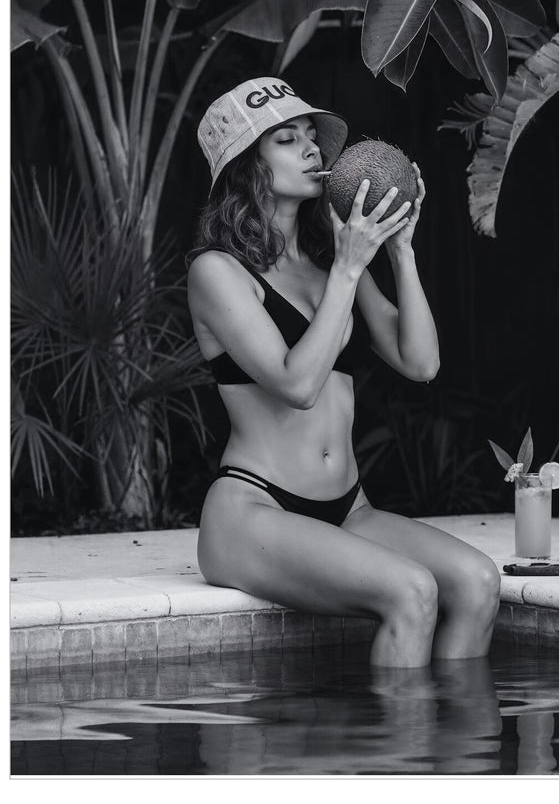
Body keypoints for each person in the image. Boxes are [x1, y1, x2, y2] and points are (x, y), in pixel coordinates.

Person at [187, 77, 500, 667]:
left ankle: (458, 753)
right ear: (245, 167)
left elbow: (422, 363)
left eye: (312, 138)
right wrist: (350, 272)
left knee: (478, 582)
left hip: (348, 508)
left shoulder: (331, 262)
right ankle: (397, 754)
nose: (313, 151)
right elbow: (297, 386)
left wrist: (400, 251)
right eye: (287, 139)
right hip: (254, 512)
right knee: (412, 593)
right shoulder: (217, 271)